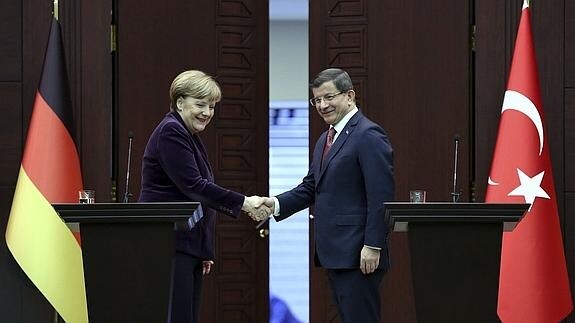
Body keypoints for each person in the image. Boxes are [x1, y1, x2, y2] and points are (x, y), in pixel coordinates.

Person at [260, 68, 394, 323]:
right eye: (316, 100)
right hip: (336, 252)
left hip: (359, 254)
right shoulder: (325, 138)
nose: (322, 105)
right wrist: (275, 204)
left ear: (350, 96)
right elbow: (310, 187)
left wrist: (373, 244)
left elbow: (381, 196)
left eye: (328, 97)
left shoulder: (368, 134)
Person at [138, 70, 268, 323]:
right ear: (179, 102)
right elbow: (194, 187)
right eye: (200, 104)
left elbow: (197, 196)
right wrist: (244, 203)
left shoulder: (188, 135)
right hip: (167, 244)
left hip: (185, 245)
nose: (207, 112)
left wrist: (202, 249)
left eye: (211, 106)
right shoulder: (171, 132)